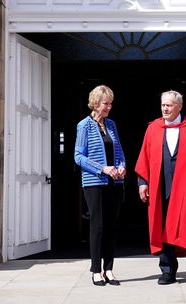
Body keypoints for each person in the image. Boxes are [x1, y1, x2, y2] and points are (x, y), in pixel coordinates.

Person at [135, 90, 186, 285]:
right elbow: (144, 158)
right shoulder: (153, 128)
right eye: (163, 104)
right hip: (160, 185)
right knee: (163, 228)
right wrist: (142, 183)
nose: (165, 108)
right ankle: (168, 271)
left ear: (179, 106)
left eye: (169, 105)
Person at [75, 85, 126, 286]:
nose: (109, 107)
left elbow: (119, 151)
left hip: (115, 183)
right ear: (95, 104)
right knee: (98, 226)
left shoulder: (111, 124)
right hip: (94, 182)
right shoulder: (84, 126)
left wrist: (122, 167)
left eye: (110, 103)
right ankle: (96, 270)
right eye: (106, 103)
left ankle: (109, 269)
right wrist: (102, 169)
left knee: (111, 226)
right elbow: (78, 156)